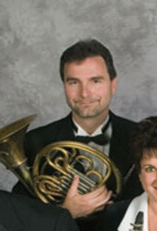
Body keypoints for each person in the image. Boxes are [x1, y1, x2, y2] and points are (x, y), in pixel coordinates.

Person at [14, 38, 140, 217]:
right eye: (74, 82)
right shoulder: (35, 142)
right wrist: (65, 212)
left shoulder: (143, 137)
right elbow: (22, 215)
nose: (85, 93)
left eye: (95, 81)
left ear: (113, 85)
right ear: (64, 86)